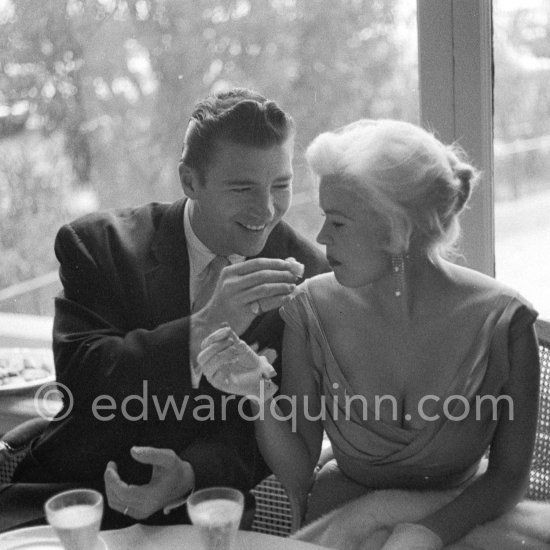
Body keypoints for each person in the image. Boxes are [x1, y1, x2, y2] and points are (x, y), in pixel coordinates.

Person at [197, 119, 541, 548]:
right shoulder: (309, 309)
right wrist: (258, 393)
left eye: (338, 223)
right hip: (341, 523)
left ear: (395, 229)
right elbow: (299, 472)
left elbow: (509, 478)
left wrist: (425, 534)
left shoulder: (506, 323)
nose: (321, 237)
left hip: (462, 522)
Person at [3, 88, 328, 531]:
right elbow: (84, 381)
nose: (267, 209)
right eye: (242, 188)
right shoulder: (98, 244)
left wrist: (190, 475)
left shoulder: (307, 275)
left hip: (203, 511)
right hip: (70, 499)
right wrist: (208, 323)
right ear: (190, 181)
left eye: (281, 185)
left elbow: (284, 428)